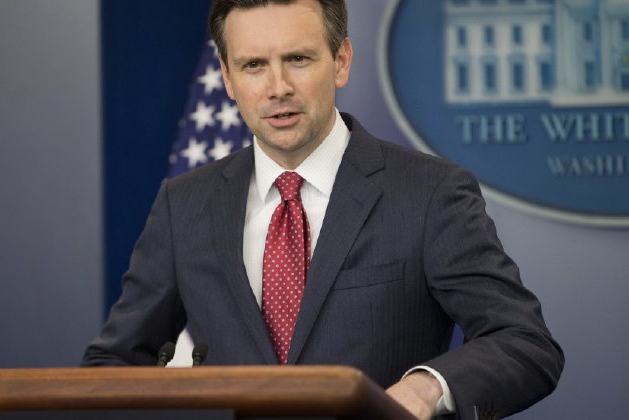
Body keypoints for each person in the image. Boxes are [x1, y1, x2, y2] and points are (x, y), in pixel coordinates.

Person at [83, 1, 564, 418]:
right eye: (253, 65)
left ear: (341, 61)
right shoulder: (184, 203)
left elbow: (524, 342)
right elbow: (111, 367)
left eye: (297, 59)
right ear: (227, 78)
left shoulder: (429, 192)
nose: (277, 87)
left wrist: (425, 389)